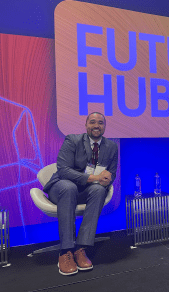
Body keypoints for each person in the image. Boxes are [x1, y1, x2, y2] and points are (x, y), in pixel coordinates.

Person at [43, 112, 118, 275]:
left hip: (87, 190)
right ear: (86, 125)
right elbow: (63, 170)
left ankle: (81, 248)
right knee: (69, 187)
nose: (96, 125)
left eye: (100, 123)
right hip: (61, 188)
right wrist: (95, 177)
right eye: (92, 122)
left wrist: (107, 180)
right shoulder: (73, 140)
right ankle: (66, 251)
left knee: (99, 190)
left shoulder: (111, 147)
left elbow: (112, 173)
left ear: (104, 127)